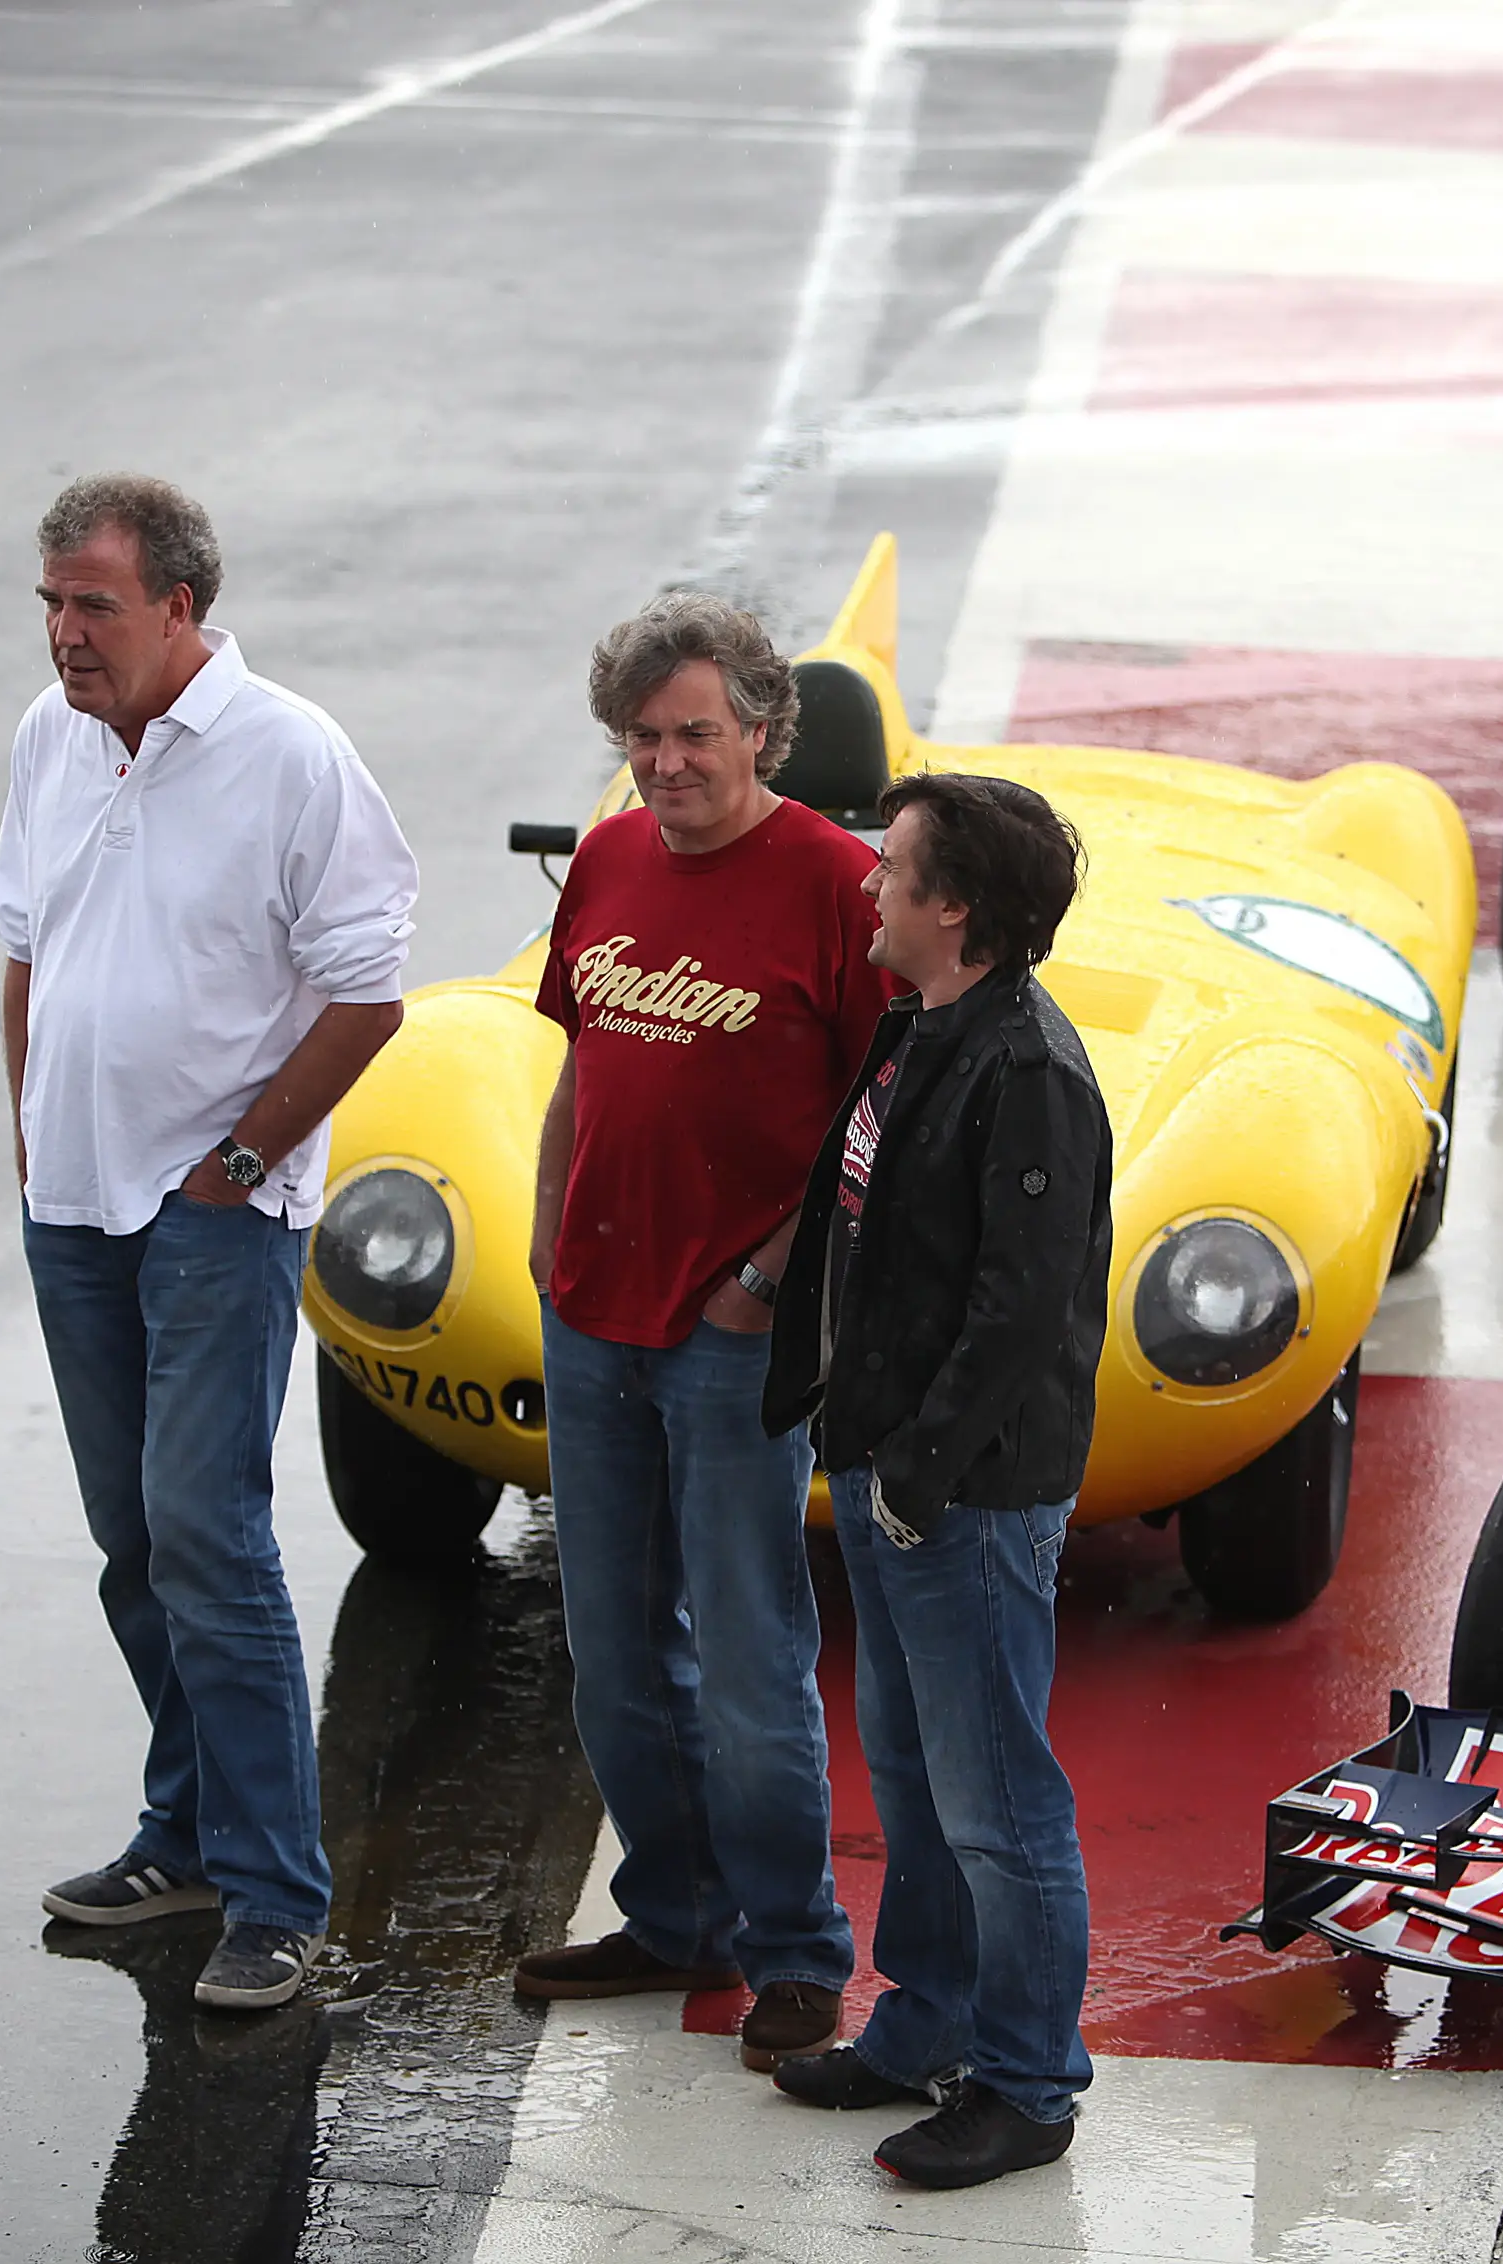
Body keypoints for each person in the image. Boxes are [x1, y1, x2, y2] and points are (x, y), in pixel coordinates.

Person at [0, 473, 418, 2013]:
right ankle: (180, 1835)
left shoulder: (291, 755)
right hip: (75, 1210)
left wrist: (240, 1166)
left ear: (179, 607)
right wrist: (34, 1131)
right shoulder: (50, 741)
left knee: (211, 1545)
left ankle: (273, 1893)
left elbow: (369, 987)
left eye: (92, 604)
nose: (63, 634)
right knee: (136, 1547)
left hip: (209, 1223)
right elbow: (28, 954)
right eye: (49, 602)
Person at [508, 594, 882, 2074]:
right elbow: (579, 1069)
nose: (666, 765)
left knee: (746, 1657)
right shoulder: (604, 857)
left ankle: (794, 1952)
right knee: (610, 1651)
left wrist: (772, 1279)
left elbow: (875, 1119)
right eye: (643, 738)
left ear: (765, 732)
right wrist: (546, 1223)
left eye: (696, 736)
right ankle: (675, 1917)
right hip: (590, 1312)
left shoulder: (838, 884)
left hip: (733, 1334)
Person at [757, 771, 1114, 2189]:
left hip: (963, 1495)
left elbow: (1018, 1312)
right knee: (912, 1774)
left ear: (954, 907)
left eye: (891, 868)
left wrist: (915, 1473)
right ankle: (928, 2023)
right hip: (901, 1476)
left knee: (998, 1801)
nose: (867, 885)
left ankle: (1026, 2083)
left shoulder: (1023, 1067)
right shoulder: (922, 1024)